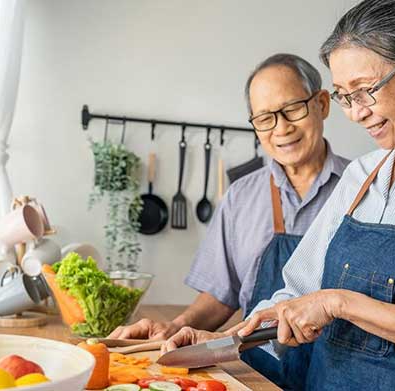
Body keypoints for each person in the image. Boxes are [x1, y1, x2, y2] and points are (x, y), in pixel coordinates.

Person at [162, 1, 395, 390]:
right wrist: (225, 342)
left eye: (366, 90)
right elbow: (297, 294)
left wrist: (341, 303)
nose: (356, 113)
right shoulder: (360, 176)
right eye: (344, 96)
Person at [109, 53, 349, 383]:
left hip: (336, 376)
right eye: (265, 118)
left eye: (292, 108)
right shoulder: (241, 196)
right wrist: (176, 328)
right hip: (253, 375)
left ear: (322, 104)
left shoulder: (364, 189)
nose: (281, 128)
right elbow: (221, 295)